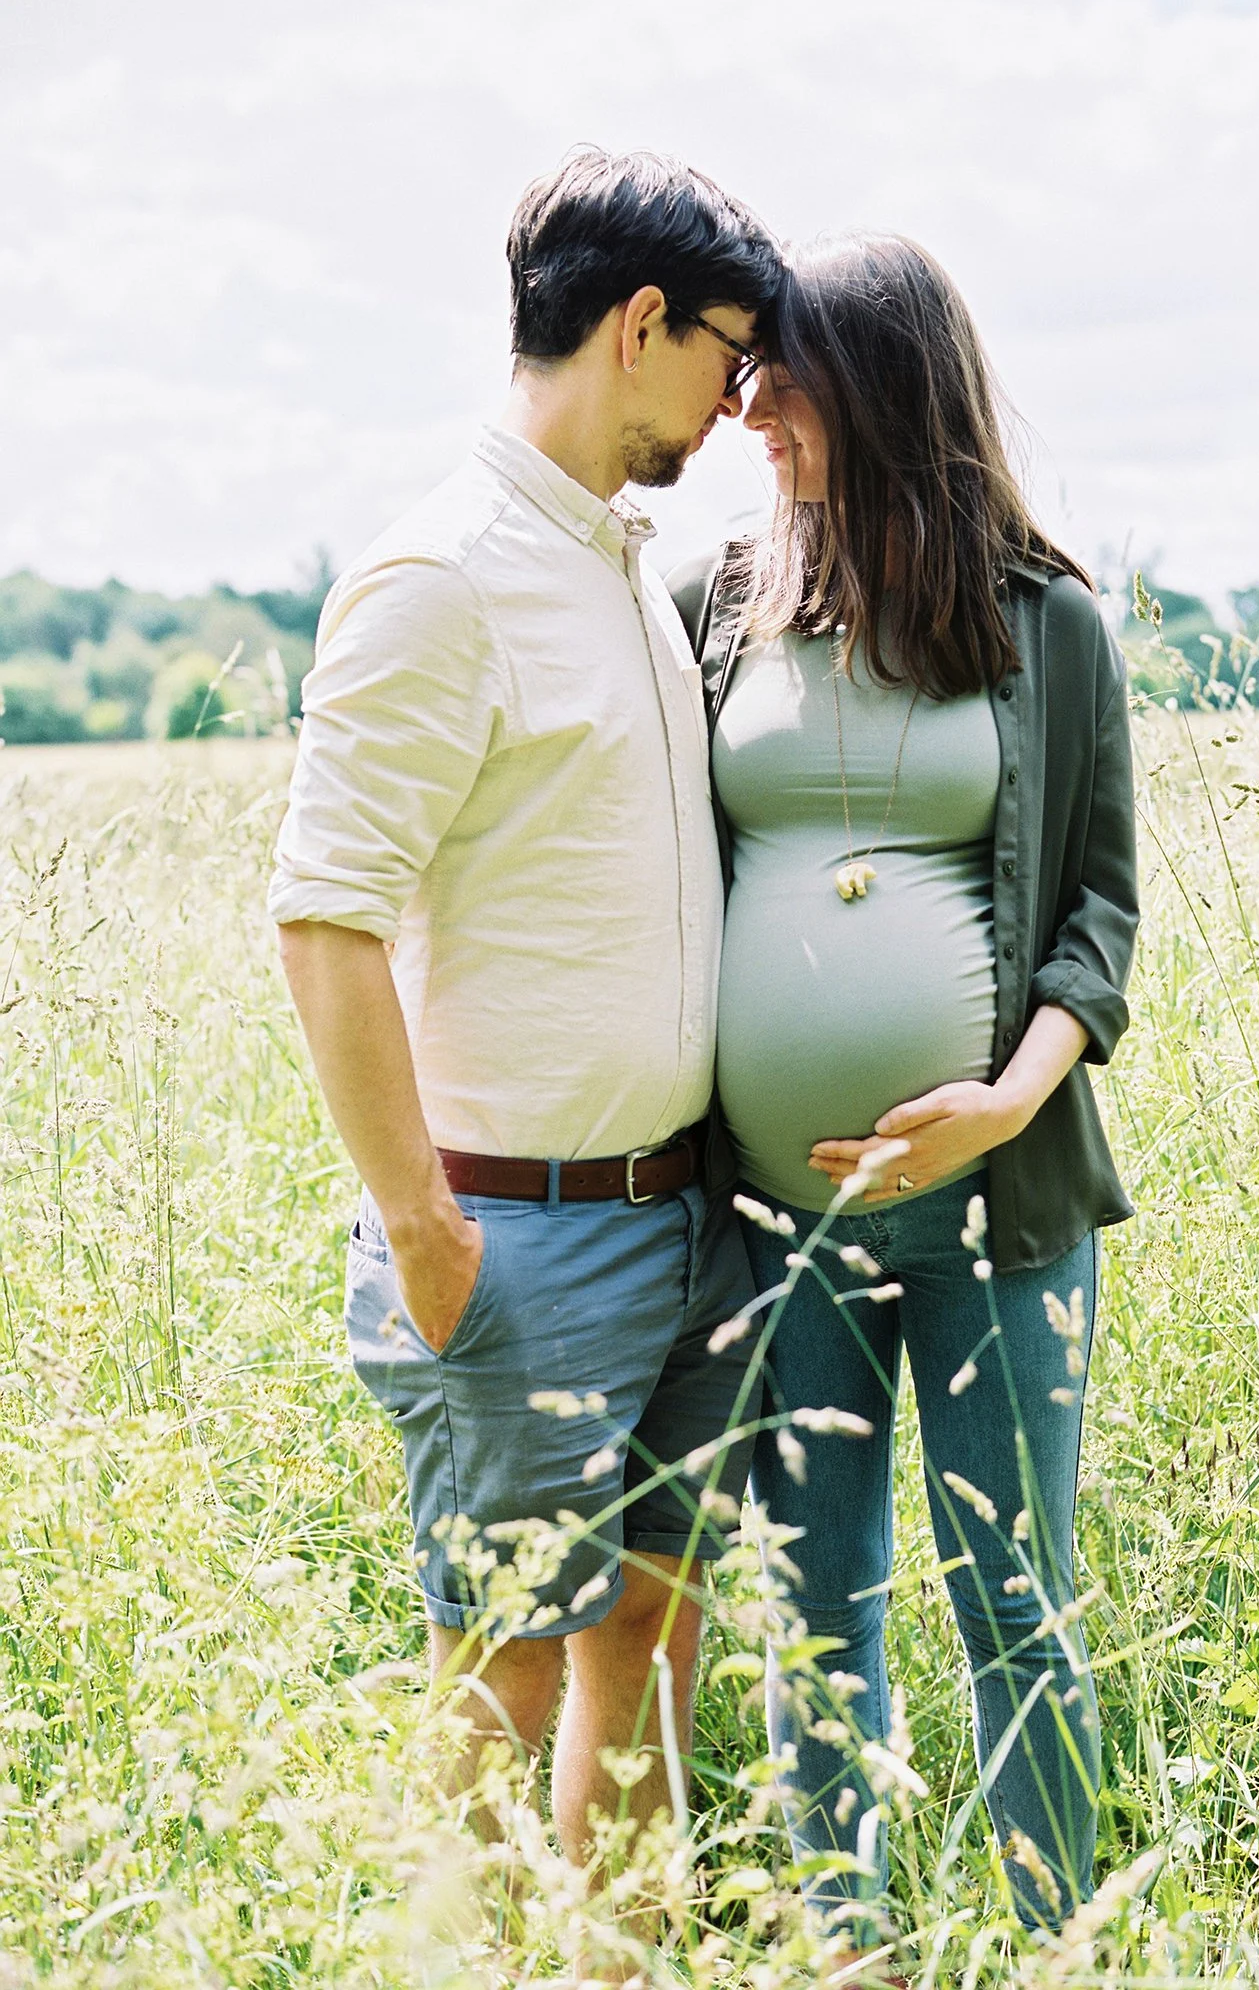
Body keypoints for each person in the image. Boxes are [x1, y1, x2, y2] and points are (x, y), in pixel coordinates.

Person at [268, 148, 780, 1867]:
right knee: (493, 1680)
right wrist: (427, 1236)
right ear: (642, 326)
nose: (735, 399)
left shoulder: (626, 567)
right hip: (520, 1240)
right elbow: (324, 922)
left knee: (641, 1652)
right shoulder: (441, 581)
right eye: (728, 353)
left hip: (678, 1217)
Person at [670, 234, 1138, 1954]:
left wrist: (1005, 1104)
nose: (748, 416)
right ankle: (837, 1951)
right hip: (777, 1224)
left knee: (1015, 1605)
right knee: (818, 1612)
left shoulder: (1047, 620)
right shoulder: (713, 602)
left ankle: (1061, 1943)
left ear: (876, 388)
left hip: (993, 1215)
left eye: (778, 380)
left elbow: (1100, 914)